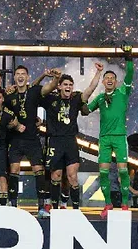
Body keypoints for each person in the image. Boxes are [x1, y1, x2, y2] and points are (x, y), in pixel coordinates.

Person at [40, 71, 99, 212]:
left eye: (71, 85)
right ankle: (54, 209)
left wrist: (98, 72)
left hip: (70, 141)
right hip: (55, 141)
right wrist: (49, 77)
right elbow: (38, 91)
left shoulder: (76, 99)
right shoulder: (50, 99)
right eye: (65, 84)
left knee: (72, 176)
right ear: (59, 86)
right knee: (56, 175)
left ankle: (76, 210)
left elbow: (90, 89)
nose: (68, 87)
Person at [88, 48, 135, 219]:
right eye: (106, 78)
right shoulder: (100, 98)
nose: (109, 80)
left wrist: (128, 57)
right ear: (103, 81)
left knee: (122, 171)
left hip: (120, 138)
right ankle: (108, 204)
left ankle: (124, 204)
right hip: (104, 139)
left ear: (116, 82)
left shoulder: (123, 93)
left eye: (112, 78)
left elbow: (130, 74)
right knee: (103, 173)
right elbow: (86, 110)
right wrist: (78, 100)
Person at [5, 66, 51, 213]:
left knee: (39, 170)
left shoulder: (33, 92)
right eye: (17, 74)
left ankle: (41, 206)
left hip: (32, 139)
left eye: (23, 74)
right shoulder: (9, 96)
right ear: (14, 78)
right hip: (15, 140)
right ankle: (13, 205)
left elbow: (48, 88)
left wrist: (53, 78)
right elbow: (4, 116)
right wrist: (14, 124)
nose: (20, 76)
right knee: (14, 169)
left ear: (27, 77)